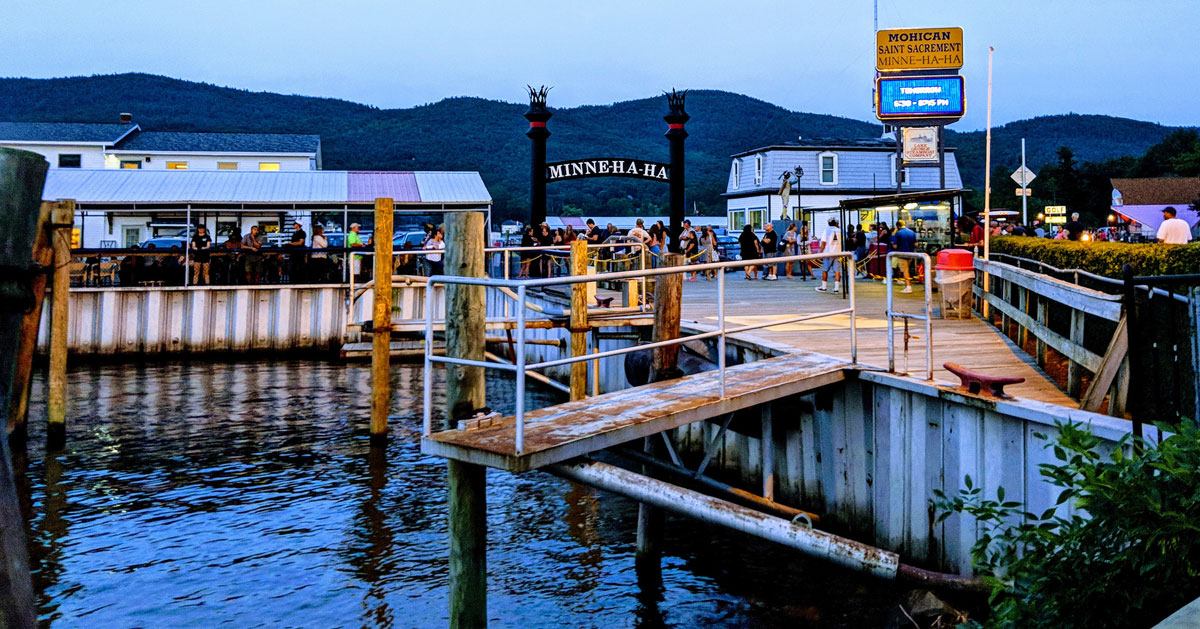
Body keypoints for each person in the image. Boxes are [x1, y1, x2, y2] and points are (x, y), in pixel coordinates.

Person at [816, 218, 842, 293]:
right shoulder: (839, 230)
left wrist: (820, 253)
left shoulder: (826, 230)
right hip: (837, 252)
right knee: (837, 270)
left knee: (825, 270)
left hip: (828, 252)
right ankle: (836, 288)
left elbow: (823, 243)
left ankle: (824, 287)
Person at [891, 220, 918, 294]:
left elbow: (895, 246)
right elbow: (916, 244)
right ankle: (907, 286)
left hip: (902, 254)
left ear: (898, 226)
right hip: (911, 254)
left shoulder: (898, 233)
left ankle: (908, 287)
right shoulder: (912, 232)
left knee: (905, 271)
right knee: (907, 270)